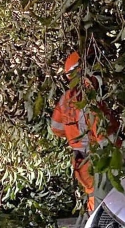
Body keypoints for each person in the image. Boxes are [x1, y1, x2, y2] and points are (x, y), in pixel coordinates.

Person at [50, 50, 119, 213]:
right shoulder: (92, 101)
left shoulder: (66, 98)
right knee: (105, 206)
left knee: (95, 200)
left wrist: (75, 137)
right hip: (98, 160)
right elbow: (106, 140)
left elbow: (56, 128)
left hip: (81, 160)